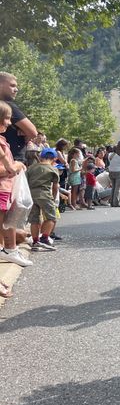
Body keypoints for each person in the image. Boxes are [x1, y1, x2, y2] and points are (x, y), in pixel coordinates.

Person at [0, 101, 31, 267]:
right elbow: (9, 168)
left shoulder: (3, 140)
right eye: (7, 119)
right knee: (3, 224)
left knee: (5, 223)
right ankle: (8, 250)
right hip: (2, 189)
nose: (10, 123)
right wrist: (17, 166)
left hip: (5, 189)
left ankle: (8, 249)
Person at [26, 147, 60, 250]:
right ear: (54, 158)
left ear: (41, 157)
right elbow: (55, 187)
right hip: (45, 194)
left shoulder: (31, 168)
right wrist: (53, 198)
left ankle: (35, 241)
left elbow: (26, 182)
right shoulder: (53, 169)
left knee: (34, 220)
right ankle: (44, 238)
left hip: (31, 194)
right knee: (51, 217)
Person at [0, 71, 38, 162]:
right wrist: (24, 135)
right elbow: (33, 132)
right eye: (12, 86)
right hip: (13, 160)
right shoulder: (8, 106)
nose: (16, 89)